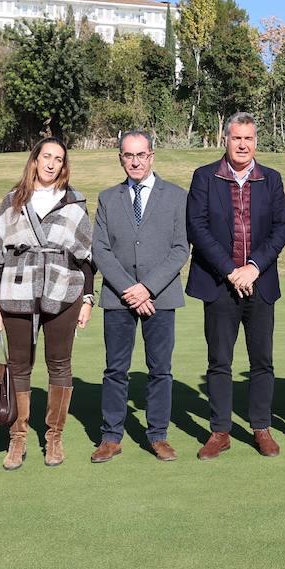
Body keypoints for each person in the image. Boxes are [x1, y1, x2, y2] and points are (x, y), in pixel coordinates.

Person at [186, 112, 285, 459]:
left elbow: (281, 229)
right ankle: (220, 431)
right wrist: (232, 271)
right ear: (226, 140)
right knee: (219, 362)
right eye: (236, 138)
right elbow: (197, 229)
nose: (242, 144)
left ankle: (261, 427)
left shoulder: (271, 179)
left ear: (255, 141)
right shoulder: (205, 177)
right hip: (220, 285)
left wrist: (253, 267)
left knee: (262, 361)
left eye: (248, 138)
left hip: (260, 284)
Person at [0, 137, 95, 470]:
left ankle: (54, 437)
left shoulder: (75, 202)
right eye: (46, 156)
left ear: (64, 165)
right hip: (16, 289)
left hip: (65, 290)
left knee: (59, 363)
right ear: (34, 160)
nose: (51, 164)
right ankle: (17, 438)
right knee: (19, 365)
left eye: (58, 159)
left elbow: (87, 256)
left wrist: (88, 299)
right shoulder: (12, 200)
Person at [89, 131, 190, 463]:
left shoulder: (176, 196)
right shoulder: (108, 198)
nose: (135, 161)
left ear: (151, 156)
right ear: (121, 158)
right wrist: (130, 290)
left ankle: (158, 435)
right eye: (128, 155)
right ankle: (110, 436)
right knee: (115, 369)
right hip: (118, 297)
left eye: (141, 155)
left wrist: (147, 288)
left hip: (160, 296)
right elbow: (101, 250)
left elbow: (180, 249)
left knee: (160, 369)